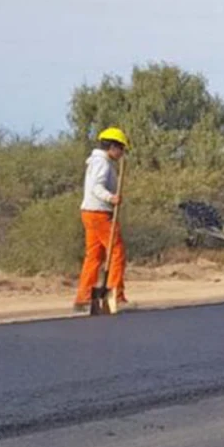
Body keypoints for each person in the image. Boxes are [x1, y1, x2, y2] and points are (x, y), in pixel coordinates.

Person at [74, 128, 129, 311]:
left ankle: (84, 298)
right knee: (116, 252)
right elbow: (96, 187)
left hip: (90, 213)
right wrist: (110, 198)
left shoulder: (98, 162)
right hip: (99, 213)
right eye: (121, 149)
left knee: (94, 255)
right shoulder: (102, 164)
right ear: (113, 147)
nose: (122, 154)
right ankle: (115, 296)